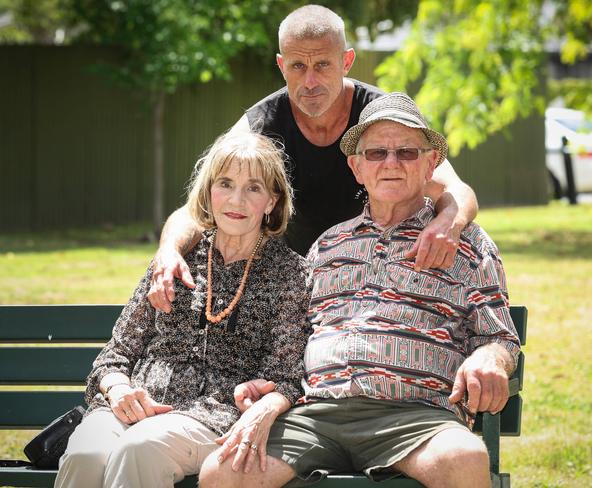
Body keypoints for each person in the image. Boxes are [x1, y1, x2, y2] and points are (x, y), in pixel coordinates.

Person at [198, 93, 520, 488]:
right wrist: (269, 385)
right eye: (376, 153)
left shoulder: (463, 242)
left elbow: (500, 337)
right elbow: (295, 335)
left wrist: (489, 360)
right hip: (316, 414)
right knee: (223, 472)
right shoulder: (328, 245)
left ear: (430, 164)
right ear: (356, 167)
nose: (390, 163)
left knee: (464, 457)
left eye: (406, 152)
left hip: (415, 416)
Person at [148, 4, 480, 314]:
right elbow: (199, 208)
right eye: (298, 66)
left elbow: (455, 189)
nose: (310, 81)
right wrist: (168, 251)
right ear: (281, 65)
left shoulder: (382, 119)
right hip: (287, 284)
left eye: (322, 65)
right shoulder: (258, 127)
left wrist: (448, 220)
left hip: (376, 274)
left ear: (346, 61)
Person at [54, 132, 312, 488]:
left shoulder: (290, 274)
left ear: (271, 201)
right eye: (225, 183)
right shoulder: (175, 260)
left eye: (253, 188)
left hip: (212, 416)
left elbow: (284, 374)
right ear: (208, 192)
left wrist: (259, 395)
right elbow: (115, 355)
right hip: (133, 404)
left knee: (140, 449)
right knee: (86, 454)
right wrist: (118, 390)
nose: (236, 199)